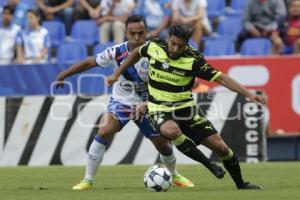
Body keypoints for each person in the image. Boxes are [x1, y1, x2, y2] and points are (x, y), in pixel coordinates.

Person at [56, 15, 225, 190]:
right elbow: (90, 62)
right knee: (104, 129)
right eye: (132, 33)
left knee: (163, 144)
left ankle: (174, 175)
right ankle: (88, 180)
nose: (137, 38)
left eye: (140, 33)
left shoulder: (158, 51)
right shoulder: (116, 52)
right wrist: (64, 75)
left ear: (146, 32)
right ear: (126, 33)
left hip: (151, 104)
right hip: (122, 102)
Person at [106, 24, 267, 190]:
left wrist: (249, 94)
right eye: (173, 43)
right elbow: (136, 53)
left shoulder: (194, 59)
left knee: (221, 147)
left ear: (187, 44)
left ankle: (241, 184)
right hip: (158, 107)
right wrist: (116, 74)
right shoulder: (154, 46)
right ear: (168, 39)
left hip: (185, 108)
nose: (175, 49)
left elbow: (222, 78)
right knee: (171, 131)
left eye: (180, 46)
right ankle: (209, 164)